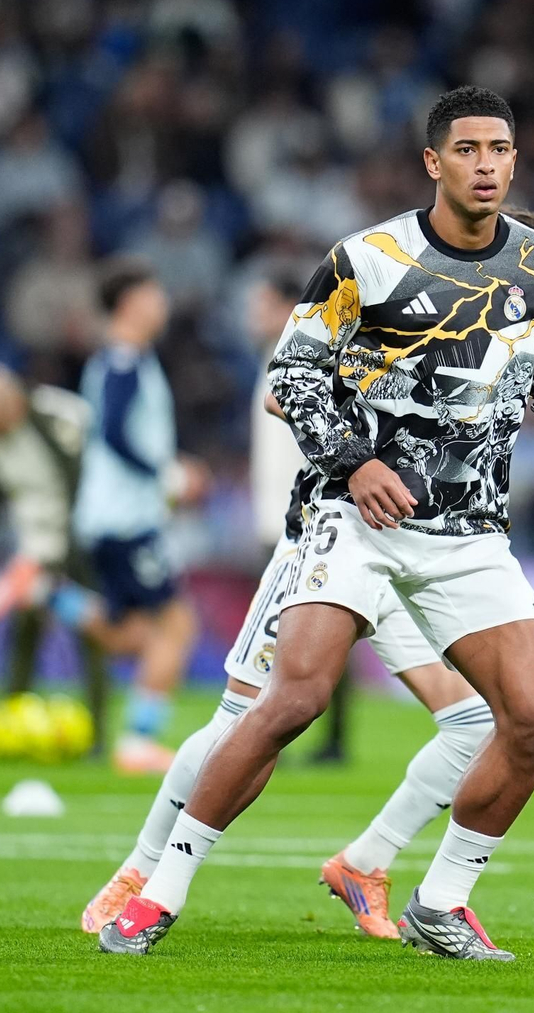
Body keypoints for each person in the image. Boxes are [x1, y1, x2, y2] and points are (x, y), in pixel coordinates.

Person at [100, 86, 534, 960]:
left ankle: (443, 900)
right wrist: (357, 461)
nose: (488, 164)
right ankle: (158, 893)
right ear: (434, 162)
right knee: (291, 700)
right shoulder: (368, 258)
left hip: (469, 532)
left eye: (500, 149)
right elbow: (295, 376)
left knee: (533, 717)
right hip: (355, 516)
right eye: (468, 150)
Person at [81, 468, 495, 942]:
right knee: (243, 721)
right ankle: (140, 870)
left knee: (475, 725)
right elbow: (282, 395)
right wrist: (360, 446)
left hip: (412, 551)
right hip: (326, 547)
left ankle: (364, 863)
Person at [66, 261, 208, 775]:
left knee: (134, 636)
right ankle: (137, 744)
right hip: (126, 521)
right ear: (130, 302)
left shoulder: (119, 360)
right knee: (177, 627)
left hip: (112, 518)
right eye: (155, 294)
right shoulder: (124, 361)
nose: (162, 304)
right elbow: (116, 434)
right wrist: (166, 475)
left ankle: (49, 595)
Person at [0, 366, 109, 748]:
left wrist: (70, 546)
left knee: (90, 631)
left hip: (80, 541)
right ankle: (13, 723)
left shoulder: (58, 414)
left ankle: (97, 731)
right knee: (24, 629)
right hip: (34, 547)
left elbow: (89, 476)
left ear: (10, 403)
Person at [246, 268, 354, 764]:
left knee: (312, 629)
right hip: (277, 515)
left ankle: (322, 736)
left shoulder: (307, 363)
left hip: (307, 516)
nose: (253, 316)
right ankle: (309, 734)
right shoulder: (272, 359)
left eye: (262, 304)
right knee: (304, 630)